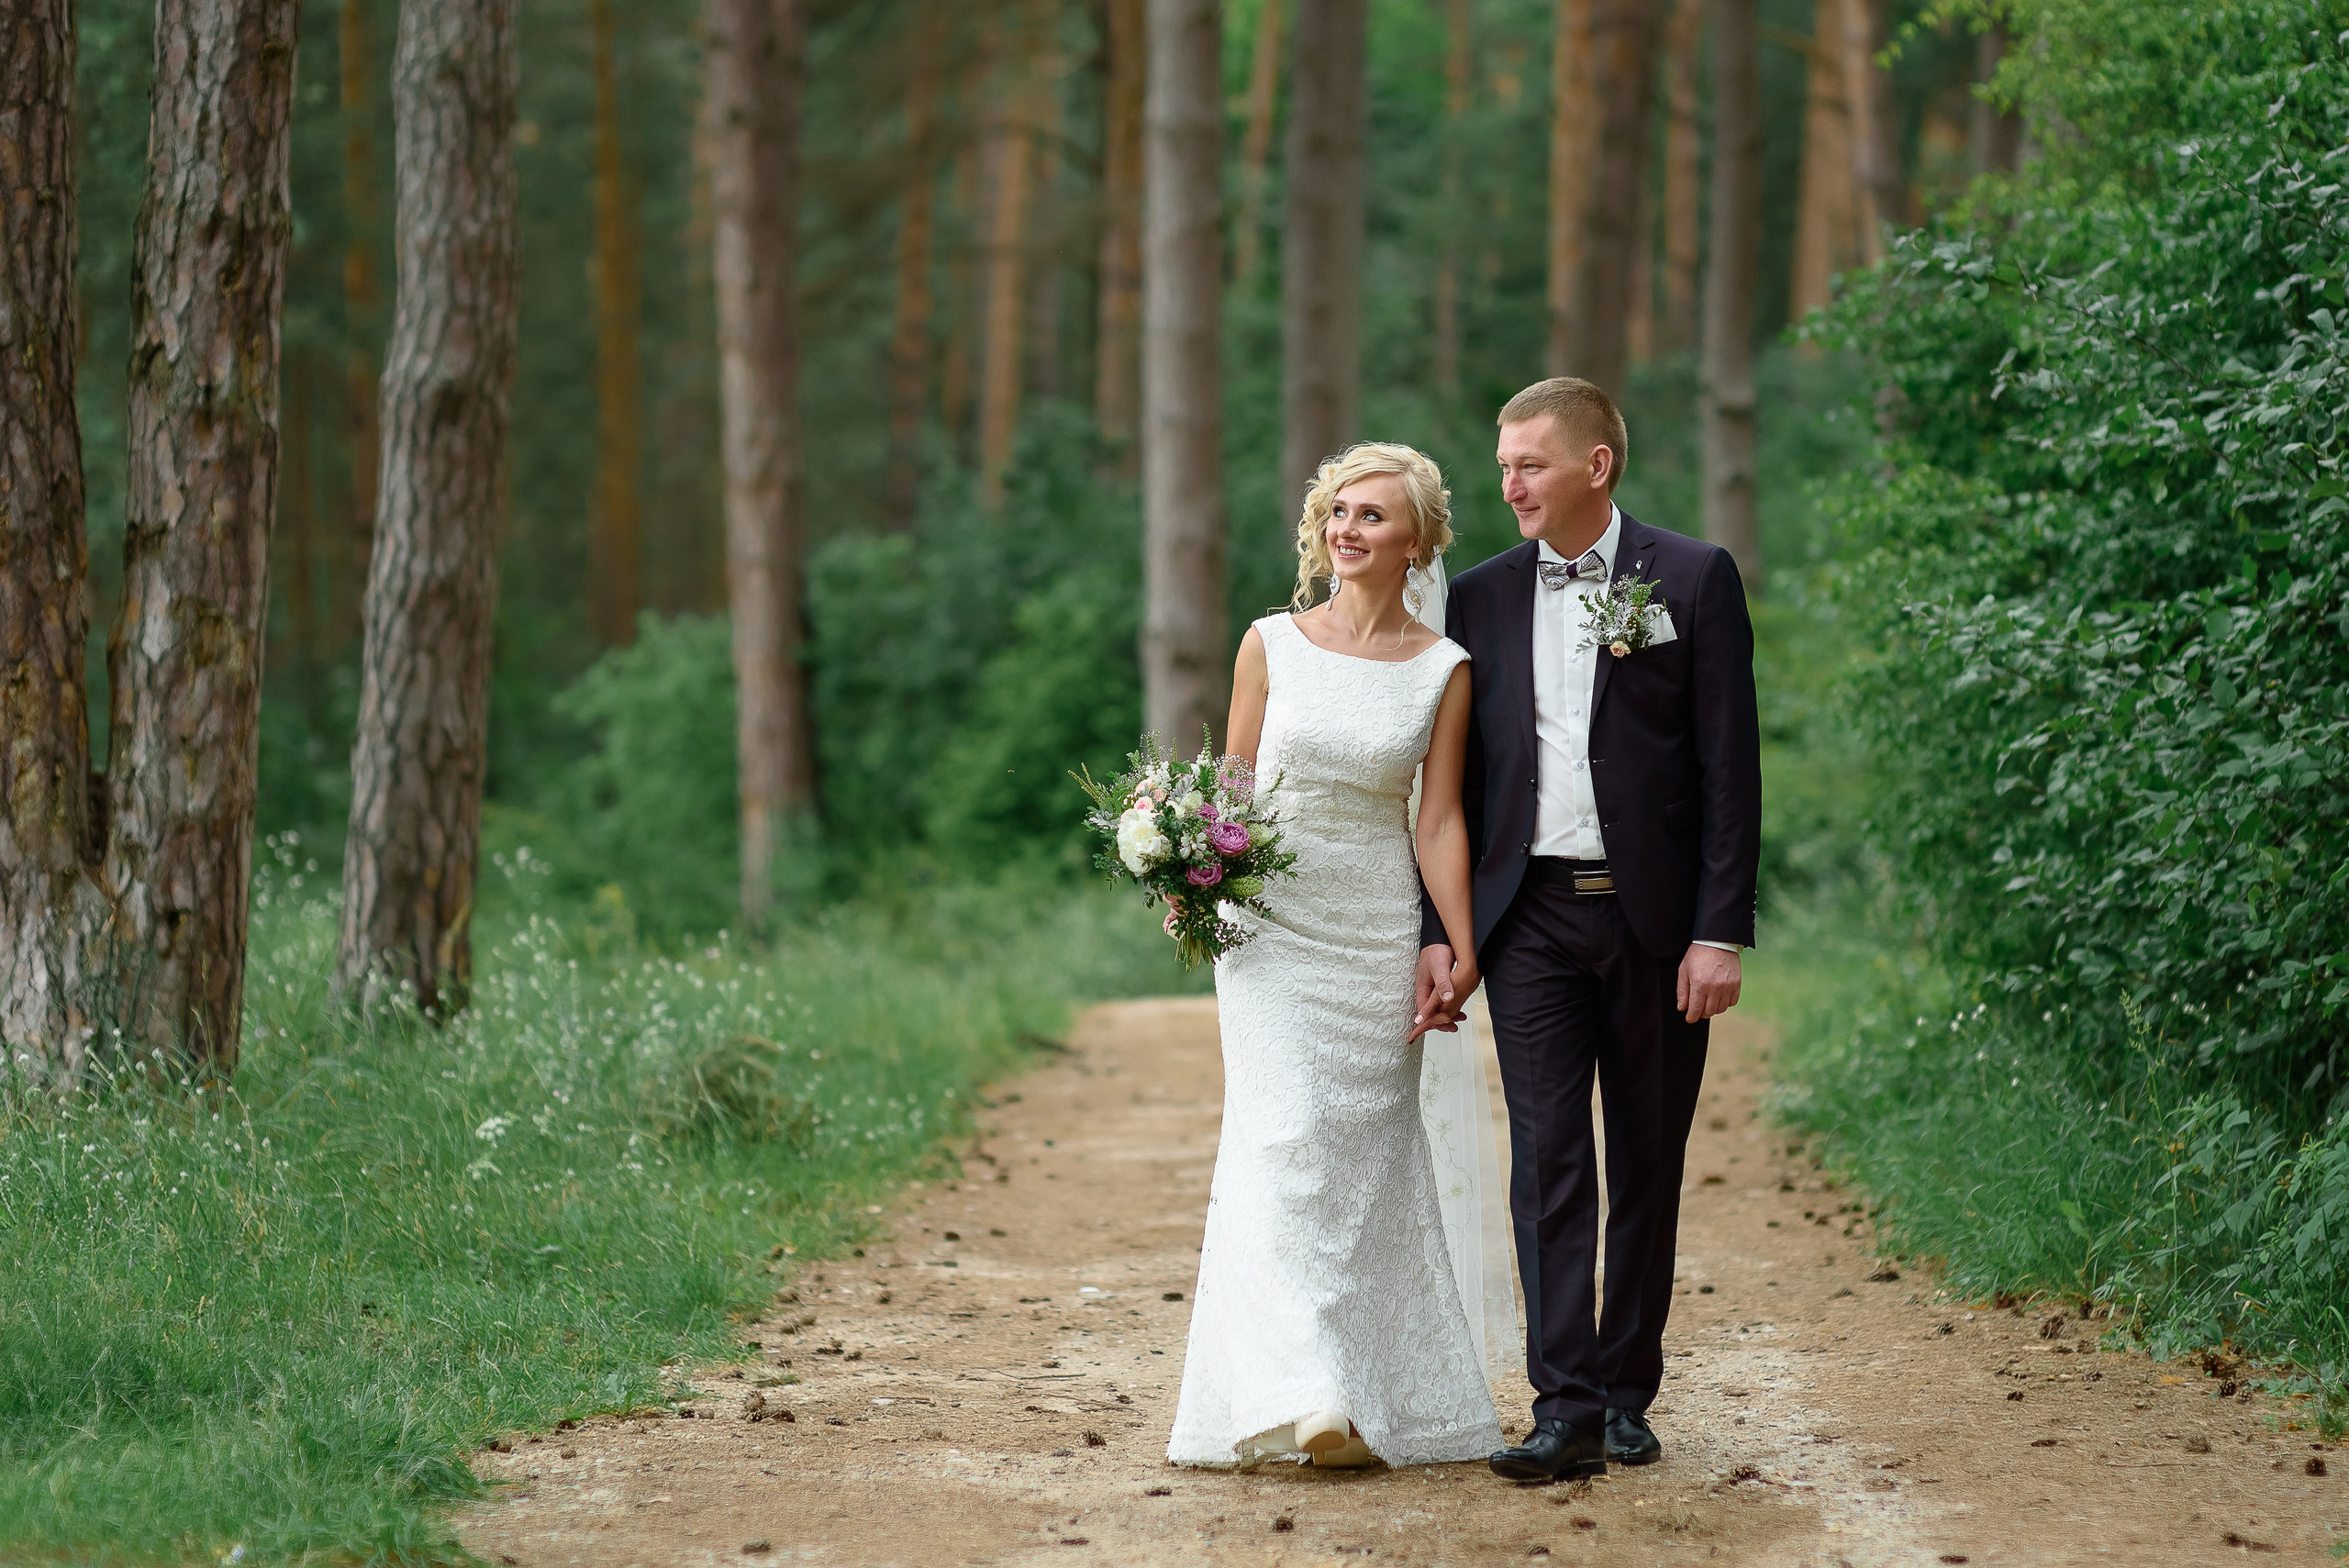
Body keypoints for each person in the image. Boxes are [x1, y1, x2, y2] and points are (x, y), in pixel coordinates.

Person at [1414, 377, 1761, 1483]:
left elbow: (1728, 771)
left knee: (1646, 1162)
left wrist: (1719, 930)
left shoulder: (1693, 578)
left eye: (1530, 463)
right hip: (1529, 925)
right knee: (1549, 1160)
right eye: (1503, 461)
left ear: (1595, 467)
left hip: (1657, 925)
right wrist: (1446, 928)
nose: (1507, 482)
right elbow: (1447, 784)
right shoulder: (1473, 597)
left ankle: (1625, 1392)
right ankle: (1560, 1402)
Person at [1166, 442, 1505, 1471]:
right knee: (1284, 1140)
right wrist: (1186, 865)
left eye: (1372, 517)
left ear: (1417, 542)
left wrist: (1458, 943)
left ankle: (1358, 1384)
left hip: (1371, 926)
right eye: (1337, 512)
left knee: (1358, 1160)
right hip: (1269, 929)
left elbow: (1438, 818)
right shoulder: (1269, 642)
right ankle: (1309, 1390)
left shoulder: (1445, 669)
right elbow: (1231, 778)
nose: (1346, 530)